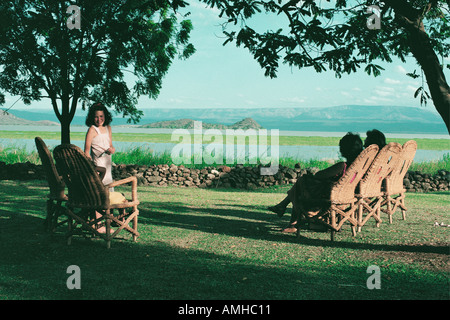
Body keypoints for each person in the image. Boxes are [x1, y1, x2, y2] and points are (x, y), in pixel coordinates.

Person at [268, 132, 364, 233]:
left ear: (346, 149)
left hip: (327, 198)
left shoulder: (342, 166)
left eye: (341, 147)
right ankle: (284, 209)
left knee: (301, 183)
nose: (339, 149)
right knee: (300, 185)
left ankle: (290, 219)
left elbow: (319, 175)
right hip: (346, 197)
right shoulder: (358, 169)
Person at [84, 102, 115, 187]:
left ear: (105, 116)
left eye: (101, 116)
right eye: (96, 117)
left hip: (108, 162)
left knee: (109, 185)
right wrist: (92, 167)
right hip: (98, 164)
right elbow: (86, 152)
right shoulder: (92, 130)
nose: (99, 119)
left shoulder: (108, 128)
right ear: (92, 117)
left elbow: (110, 145)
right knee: (100, 187)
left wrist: (112, 149)